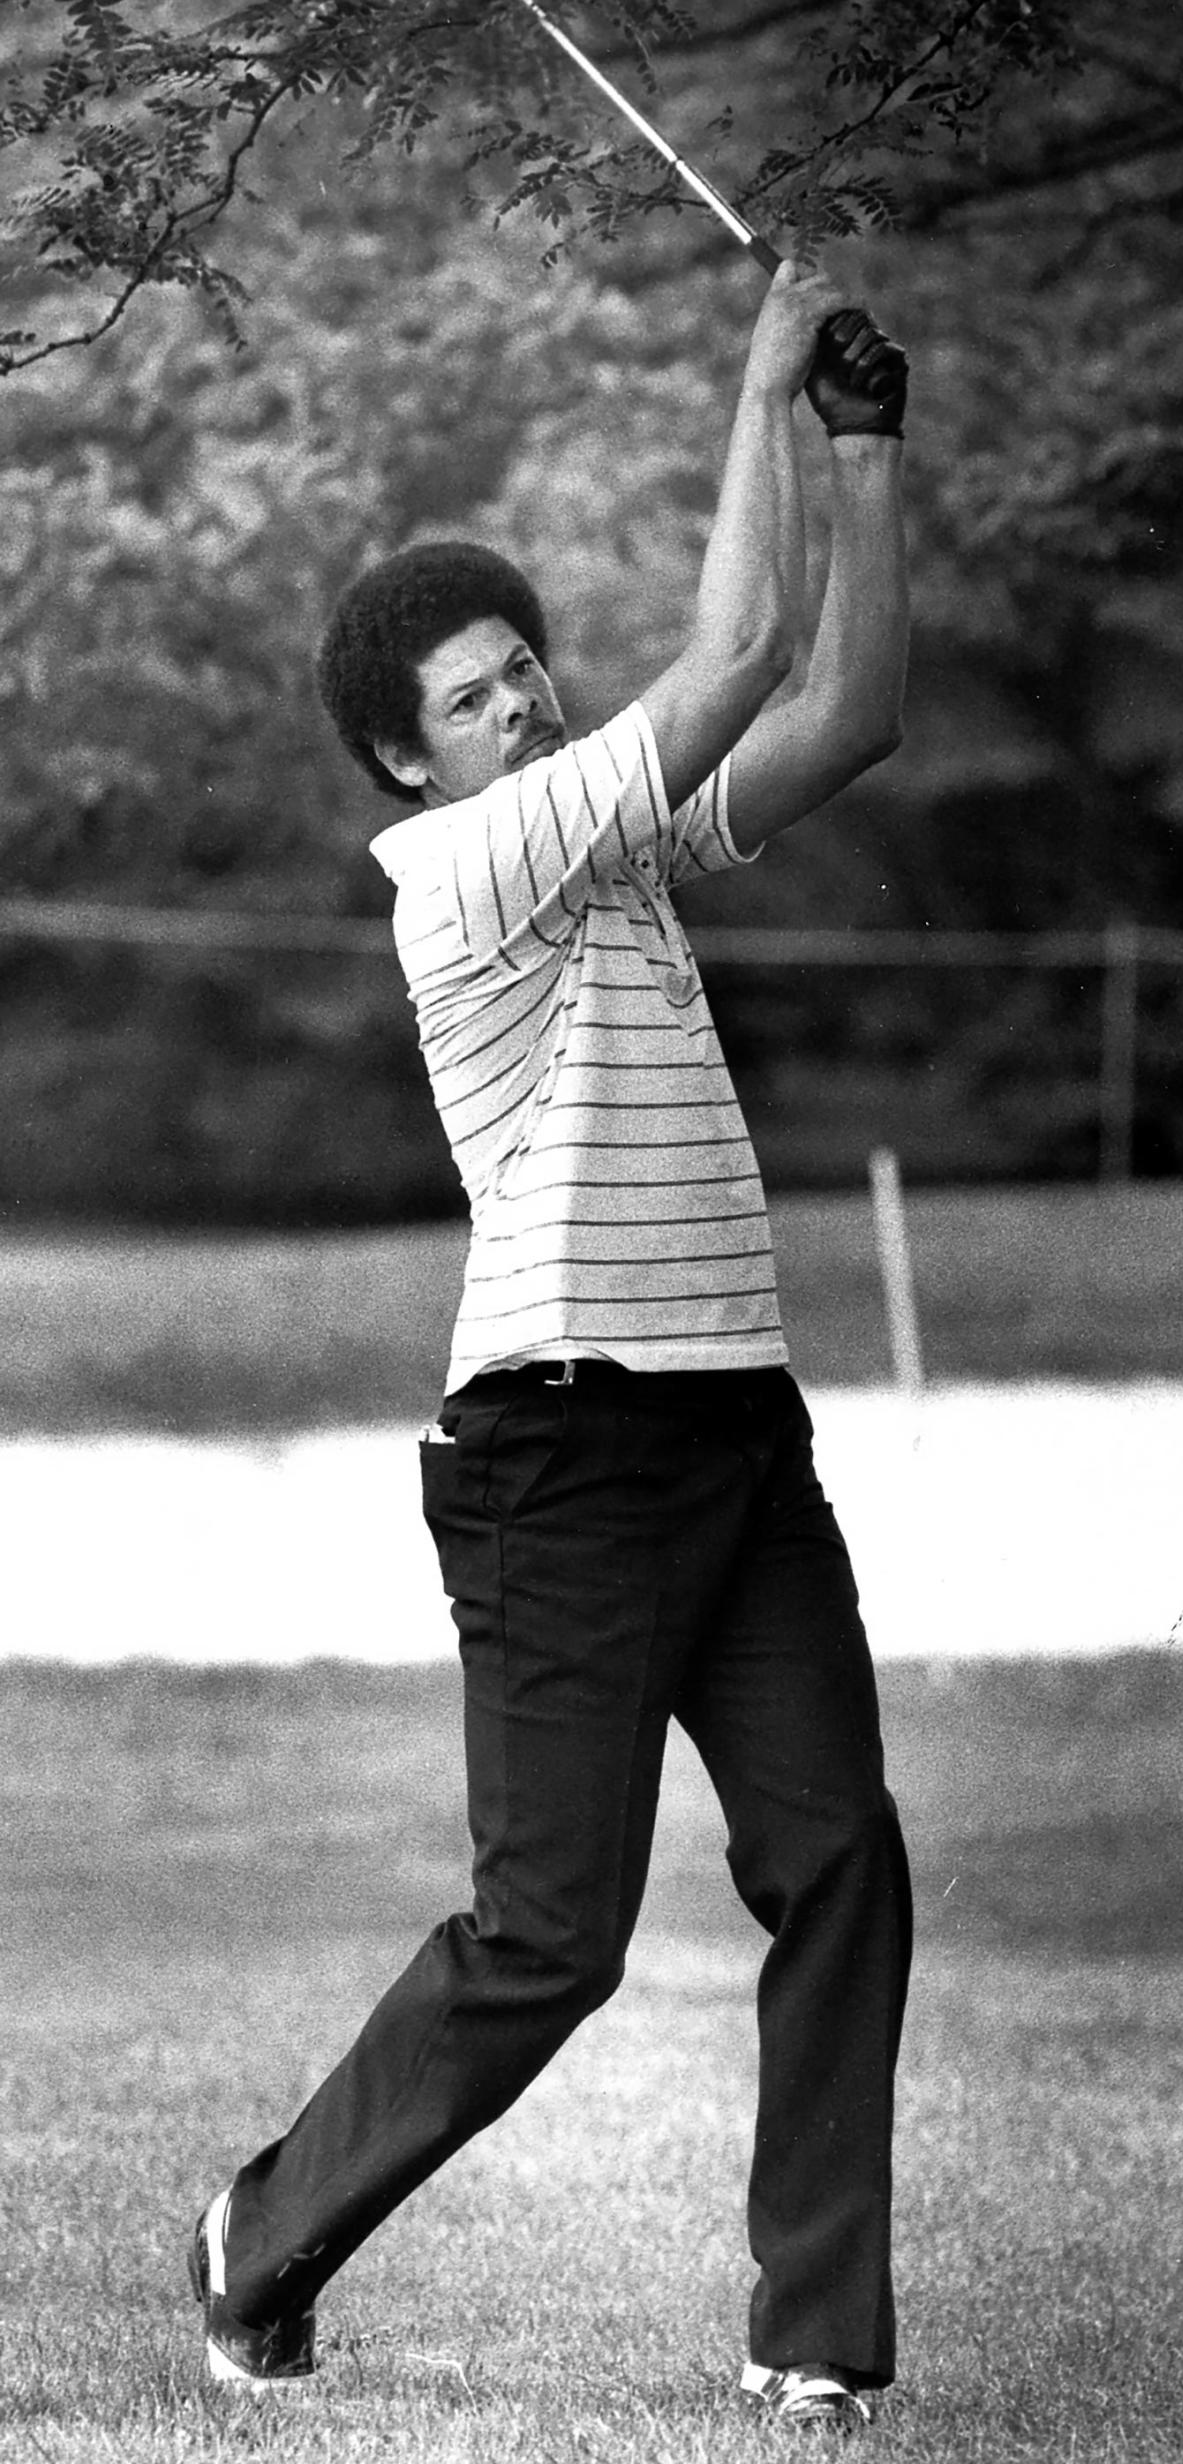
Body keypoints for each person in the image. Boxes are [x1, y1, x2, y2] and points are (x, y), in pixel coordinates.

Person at [190, 262, 914, 2431]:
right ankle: (256, 2236)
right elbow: (732, 655)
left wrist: (863, 455)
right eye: (480, 694)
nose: (523, 704)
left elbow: (846, 703)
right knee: (553, 1933)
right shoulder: (464, 870)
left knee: (843, 1857)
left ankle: (813, 2337)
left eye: (529, 674)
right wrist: (760, 387)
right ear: (414, 754)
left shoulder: (624, 853)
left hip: (735, 1446)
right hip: (557, 1460)